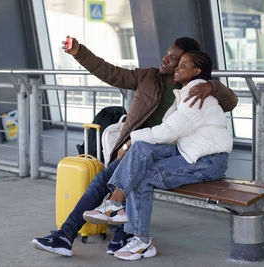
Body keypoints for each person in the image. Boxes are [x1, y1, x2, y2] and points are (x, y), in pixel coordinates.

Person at [32, 37, 238, 257]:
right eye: (169, 56)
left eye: (176, 59)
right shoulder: (149, 77)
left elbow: (230, 102)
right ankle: (68, 234)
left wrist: (211, 85)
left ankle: (122, 233)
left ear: (190, 67)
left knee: (133, 173)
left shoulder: (194, 90)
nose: (168, 60)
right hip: (143, 146)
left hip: (170, 149)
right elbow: (110, 72)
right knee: (104, 179)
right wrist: (79, 52)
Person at [83, 50, 232, 261]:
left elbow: (169, 132)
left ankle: (140, 240)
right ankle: (116, 205)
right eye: (178, 64)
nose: (176, 69)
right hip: (189, 151)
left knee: (143, 176)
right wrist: (137, 143)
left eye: (183, 65)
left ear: (197, 71)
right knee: (142, 149)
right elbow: (170, 134)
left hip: (208, 161)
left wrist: (131, 139)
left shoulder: (195, 96)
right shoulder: (185, 94)